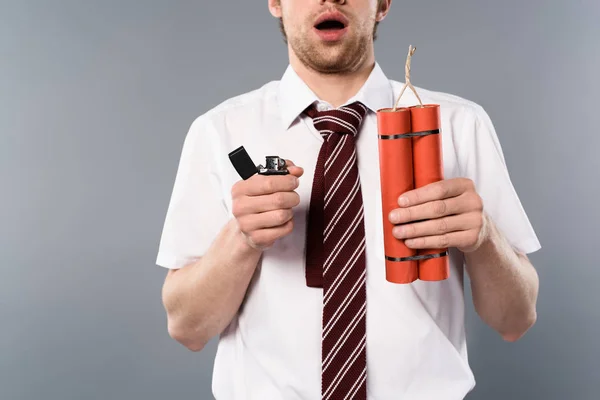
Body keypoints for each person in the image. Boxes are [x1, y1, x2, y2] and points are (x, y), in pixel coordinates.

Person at [155, 0, 541, 399]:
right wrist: (243, 238)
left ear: (384, 4)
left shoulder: (460, 125)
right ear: (275, 2)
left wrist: (483, 238)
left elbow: (515, 319)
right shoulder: (220, 131)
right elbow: (188, 328)